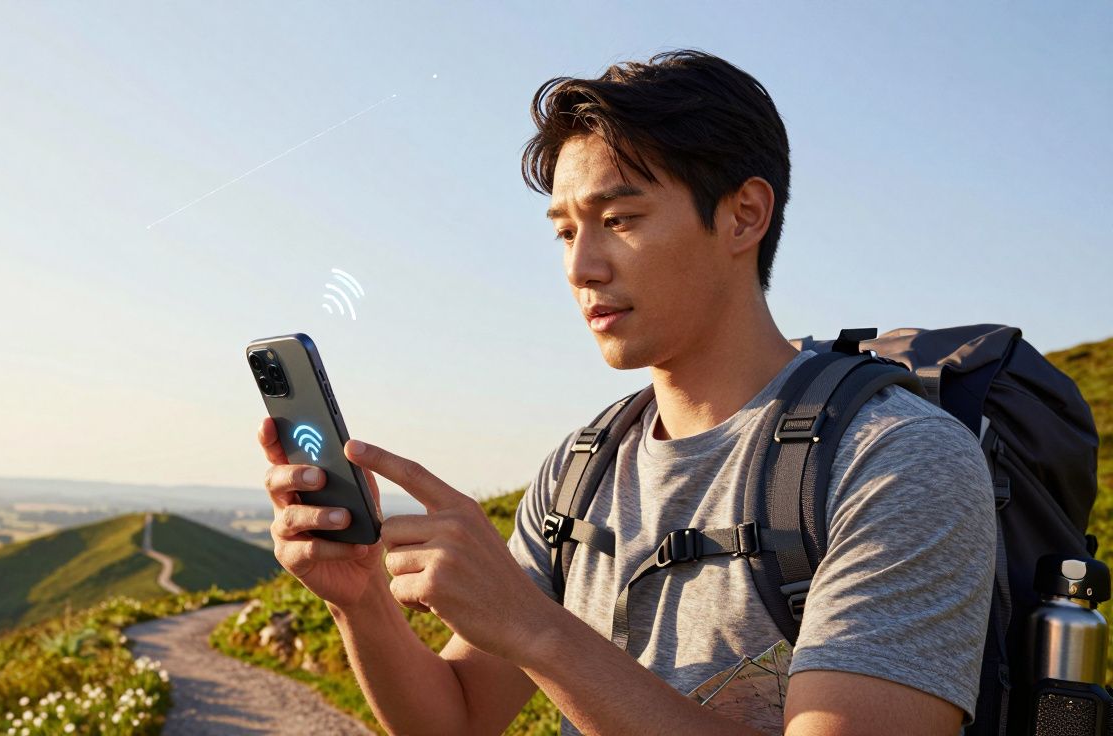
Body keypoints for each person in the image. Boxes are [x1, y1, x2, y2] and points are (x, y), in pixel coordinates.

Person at [257, 49, 997, 735]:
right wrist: (359, 602)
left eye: (619, 220)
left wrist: (537, 629)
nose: (581, 267)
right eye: (564, 231)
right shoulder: (582, 472)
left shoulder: (897, 460)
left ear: (744, 215)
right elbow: (455, 717)